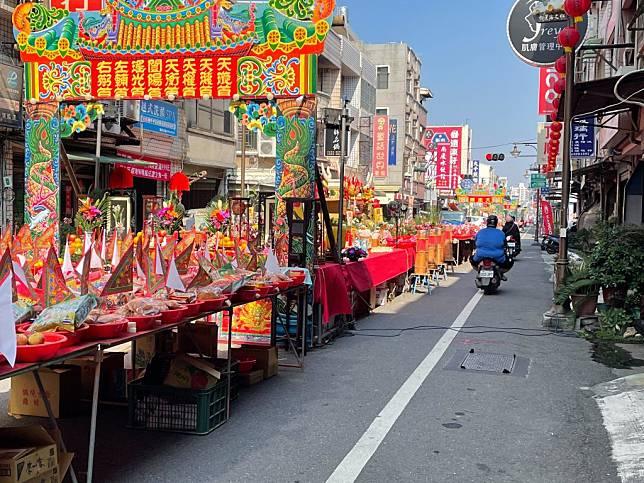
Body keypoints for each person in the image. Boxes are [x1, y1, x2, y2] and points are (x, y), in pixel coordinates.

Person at [471, 215, 513, 279]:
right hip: (497, 257)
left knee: (471, 259)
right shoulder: (501, 233)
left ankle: (480, 271)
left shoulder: (480, 232)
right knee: (509, 261)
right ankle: (501, 273)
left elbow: (475, 242)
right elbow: (505, 244)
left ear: (487, 222)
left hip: (480, 256)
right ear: (496, 223)